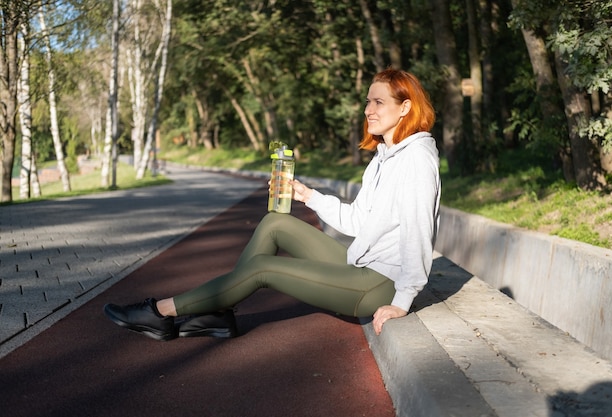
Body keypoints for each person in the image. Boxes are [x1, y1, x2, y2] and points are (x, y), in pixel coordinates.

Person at [104, 68, 441, 340]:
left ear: (405, 107)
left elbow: (419, 232)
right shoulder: (384, 158)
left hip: (379, 285)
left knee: (262, 268)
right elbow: (357, 221)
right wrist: (306, 195)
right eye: (368, 101)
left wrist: (402, 301)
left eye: (378, 102)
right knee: (274, 223)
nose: (368, 110)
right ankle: (219, 312)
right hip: (361, 265)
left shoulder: (416, 159)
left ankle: (160, 313)